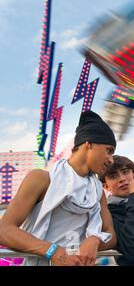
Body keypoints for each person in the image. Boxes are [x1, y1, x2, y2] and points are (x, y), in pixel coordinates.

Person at [0, 110, 117, 266]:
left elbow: (111, 235)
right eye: (108, 151)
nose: (111, 160)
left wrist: (95, 240)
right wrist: (52, 250)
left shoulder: (98, 191)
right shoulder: (41, 179)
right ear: (89, 143)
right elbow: (4, 230)